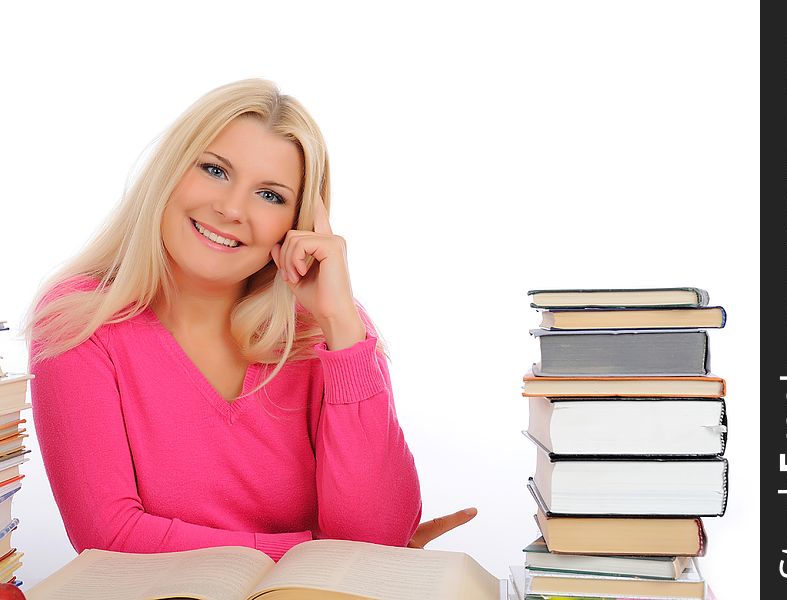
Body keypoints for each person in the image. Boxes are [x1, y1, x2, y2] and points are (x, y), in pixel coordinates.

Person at [24, 78, 475, 562]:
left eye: (271, 196)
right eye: (215, 170)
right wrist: (319, 550)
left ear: (296, 223)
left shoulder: (324, 329)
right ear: (170, 172)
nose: (231, 208)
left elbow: (375, 532)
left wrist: (342, 322)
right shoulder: (81, 318)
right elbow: (108, 535)